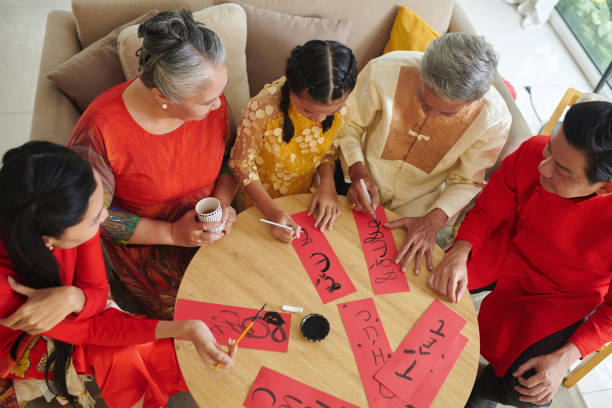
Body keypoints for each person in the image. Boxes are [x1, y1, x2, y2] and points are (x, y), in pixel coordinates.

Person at [0, 142, 237, 408]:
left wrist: (75, 297)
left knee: (146, 349)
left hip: (74, 311)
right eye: (93, 219)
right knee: (122, 357)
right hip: (17, 336)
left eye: (101, 204)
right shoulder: (6, 288)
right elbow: (92, 327)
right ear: (48, 240)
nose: (104, 217)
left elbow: (98, 295)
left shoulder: (71, 202)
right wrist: (182, 329)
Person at [428, 101, 612, 407]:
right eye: (550, 149)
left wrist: (567, 354)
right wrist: (460, 250)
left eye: (562, 170)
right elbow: (488, 210)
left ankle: (477, 388)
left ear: (604, 188)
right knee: (432, 280)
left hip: (559, 293)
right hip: (508, 245)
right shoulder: (534, 152)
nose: (543, 167)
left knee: (528, 388)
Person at [68, 9, 237, 319]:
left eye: (220, 93)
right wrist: (173, 234)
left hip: (215, 232)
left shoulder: (215, 105)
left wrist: (223, 205)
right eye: (206, 101)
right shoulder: (101, 131)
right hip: (151, 251)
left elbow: (231, 158)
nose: (218, 105)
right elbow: (93, 219)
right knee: (199, 319)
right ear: (163, 96)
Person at [334, 32, 511, 274]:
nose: (431, 116)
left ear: (472, 101)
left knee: (387, 275)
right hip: (356, 178)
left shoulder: (493, 120)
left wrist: (433, 221)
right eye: (425, 103)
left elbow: (467, 180)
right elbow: (348, 126)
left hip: (418, 210)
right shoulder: (385, 70)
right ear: (421, 73)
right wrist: (356, 170)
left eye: (448, 114)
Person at [229, 40, 357, 242]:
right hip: (257, 200)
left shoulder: (343, 109)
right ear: (291, 87)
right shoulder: (263, 109)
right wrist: (272, 211)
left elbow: (329, 147)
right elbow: (241, 165)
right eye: (307, 110)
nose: (320, 120)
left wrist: (328, 183)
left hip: (303, 196)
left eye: (330, 112)